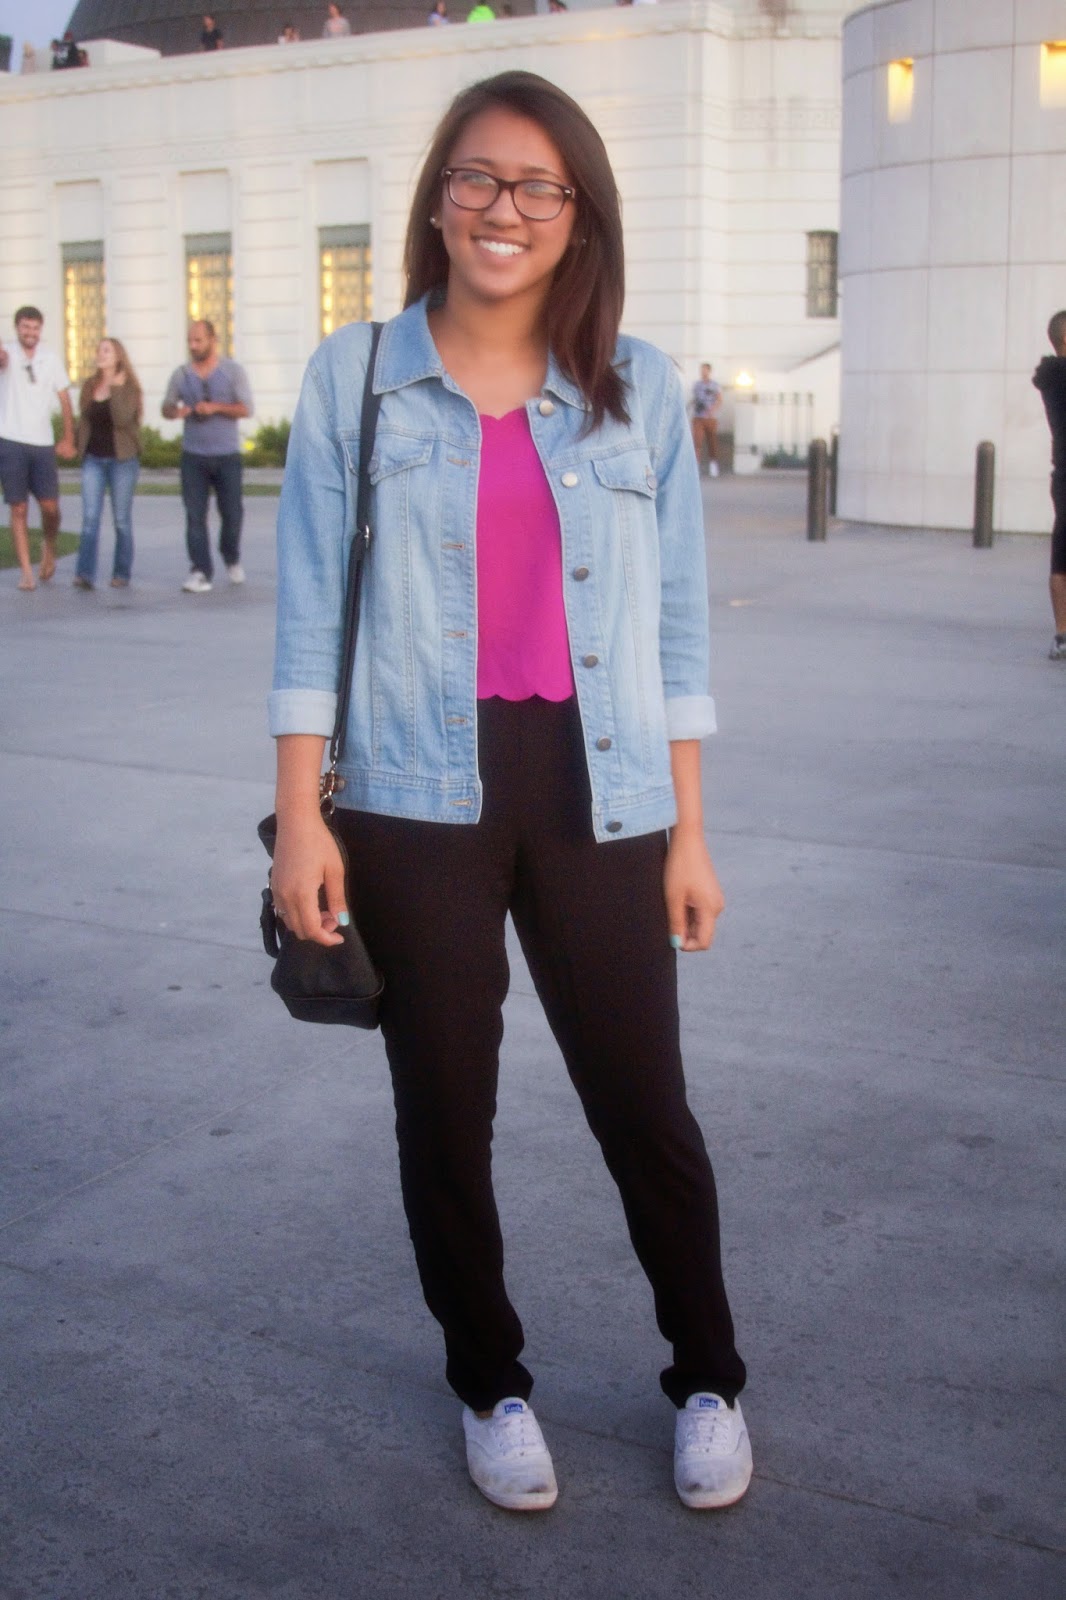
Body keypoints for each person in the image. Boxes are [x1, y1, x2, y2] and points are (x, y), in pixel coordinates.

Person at [269, 69, 750, 1516]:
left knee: (644, 1104)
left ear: (579, 215)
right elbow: (309, 613)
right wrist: (302, 820)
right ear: (437, 198)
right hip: (412, 792)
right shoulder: (357, 376)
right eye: (477, 177)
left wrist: (690, 833)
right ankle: (489, 1384)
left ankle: (709, 1377)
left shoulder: (635, 387)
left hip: (599, 787)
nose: (505, 208)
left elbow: (675, 632)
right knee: (444, 1110)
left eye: (541, 186)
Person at [161, 320, 253, 593]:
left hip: (227, 455)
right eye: (190, 341)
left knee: (232, 514)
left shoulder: (232, 371)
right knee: (195, 515)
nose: (193, 346)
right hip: (193, 456)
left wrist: (215, 408)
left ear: (213, 340)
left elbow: (246, 408)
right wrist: (175, 412)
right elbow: (166, 406)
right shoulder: (181, 375)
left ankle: (231, 555)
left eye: (198, 340)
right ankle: (200, 570)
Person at [0, 306, 76, 591]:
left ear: (40, 330)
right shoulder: (8, 354)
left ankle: (50, 546)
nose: (30, 333)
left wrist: (68, 437)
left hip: (42, 443)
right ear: (17, 328)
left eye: (34, 328)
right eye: (25, 327)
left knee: (50, 507)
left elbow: (65, 398)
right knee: (18, 507)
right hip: (10, 439)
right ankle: (26, 572)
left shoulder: (50, 359)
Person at [72, 338, 142, 590]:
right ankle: (84, 573)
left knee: (121, 520)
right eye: (99, 350)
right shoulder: (90, 385)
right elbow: (84, 418)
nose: (100, 354)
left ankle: (121, 573)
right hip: (93, 459)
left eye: (107, 351)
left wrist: (115, 388)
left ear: (118, 356)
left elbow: (122, 418)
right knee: (90, 518)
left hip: (122, 461)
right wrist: (76, 445)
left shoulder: (129, 386)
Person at [1034, 310, 1066, 661]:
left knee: (1061, 554)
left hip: (1063, 475)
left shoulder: (1051, 376)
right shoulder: (1060, 377)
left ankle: (1062, 635)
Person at [691, 361, 722, 478]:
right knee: (697, 441)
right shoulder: (697, 385)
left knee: (712, 442)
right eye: (701, 370)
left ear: (709, 371)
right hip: (698, 417)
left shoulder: (714, 385)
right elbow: (695, 399)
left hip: (710, 418)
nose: (703, 372)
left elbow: (719, 399)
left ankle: (713, 465)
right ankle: (696, 466)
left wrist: (712, 410)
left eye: (705, 370)